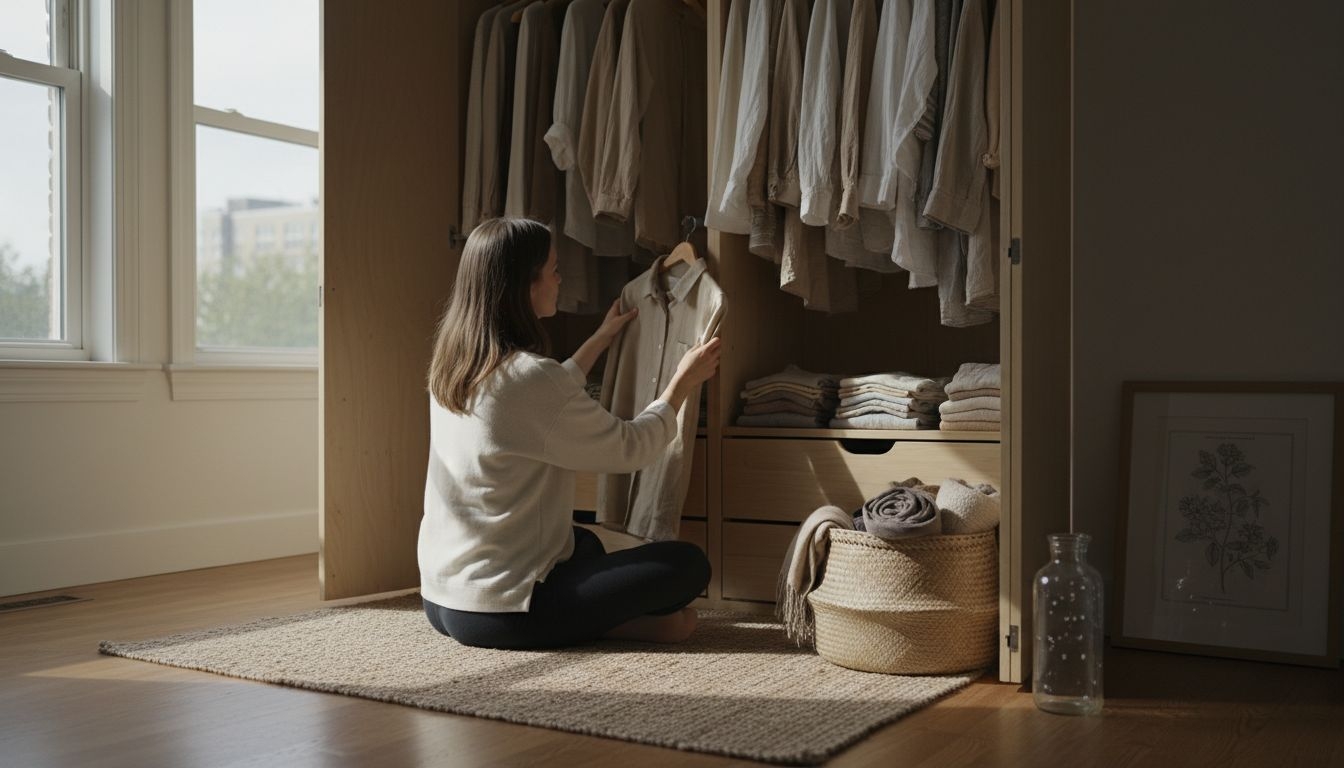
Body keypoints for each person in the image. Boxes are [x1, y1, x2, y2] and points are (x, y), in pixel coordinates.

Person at [419, 217, 721, 649]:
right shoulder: (531, 380)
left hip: (442, 597)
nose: (561, 279)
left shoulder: (454, 369)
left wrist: (599, 339)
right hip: (506, 611)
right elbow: (630, 448)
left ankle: (597, 619)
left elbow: (534, 405)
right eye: (555, 270)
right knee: (687, 565)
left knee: (584, 543)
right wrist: (681, 383)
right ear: (526, 285)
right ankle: (615, 625)